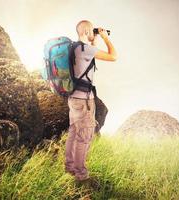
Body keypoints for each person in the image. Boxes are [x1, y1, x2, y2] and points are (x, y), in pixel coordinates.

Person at [64, 20, 117, 183]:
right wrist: (105, 38)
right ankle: (81, 175)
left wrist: (93, 39)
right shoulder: (86, 49)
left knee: (73, 132)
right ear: (86, 31)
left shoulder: (73, 48)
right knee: (84, 137)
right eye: (92, 30)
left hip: (73, 98)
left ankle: (70, 168)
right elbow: (113, 56)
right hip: (84, 100)